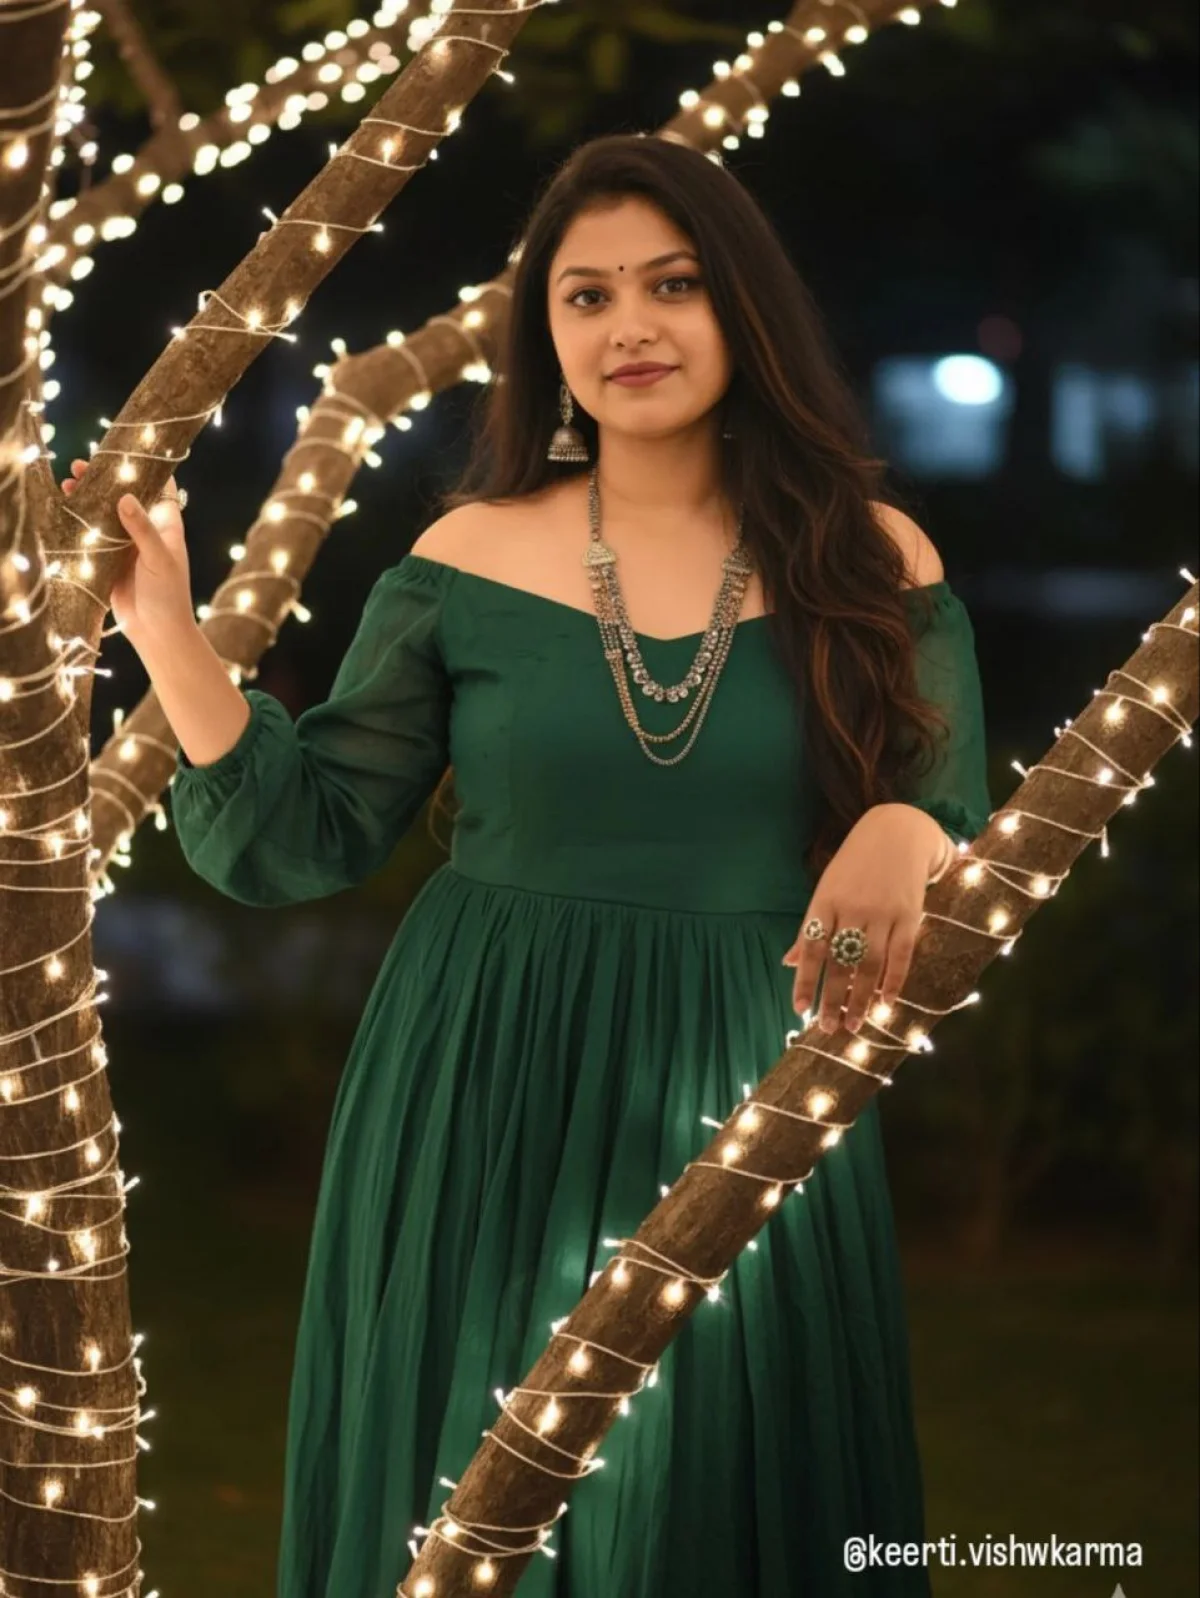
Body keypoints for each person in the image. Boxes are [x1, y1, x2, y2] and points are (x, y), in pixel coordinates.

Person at [70, 134, 991, 1597]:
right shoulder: (471, 556)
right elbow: (300, 834)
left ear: (743, 306)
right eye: (587, 295)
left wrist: (901, 824)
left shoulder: (876, 561)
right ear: (545, 337)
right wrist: (167, 630)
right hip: (482, 1076)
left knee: (720, 1492)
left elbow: (947, 797)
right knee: (472, 1495)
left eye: (673, 285)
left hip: (748, 1076)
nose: (630, 327)